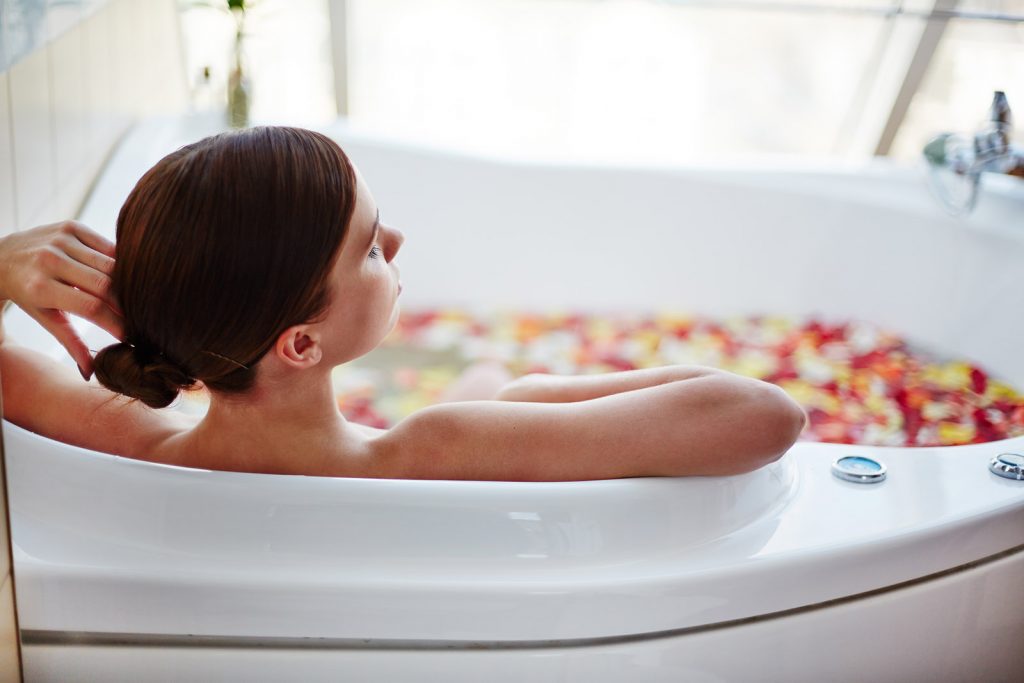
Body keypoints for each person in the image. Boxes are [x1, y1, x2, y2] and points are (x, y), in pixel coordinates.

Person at [0, 126, 806, 481]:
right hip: (433, 438)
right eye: (371, 245)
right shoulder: (437, 449)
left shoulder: (129, 433)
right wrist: (533, 400)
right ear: (301, 345)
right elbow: (768, 415)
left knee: (487, 382)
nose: (400, 243)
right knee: (495, 374)